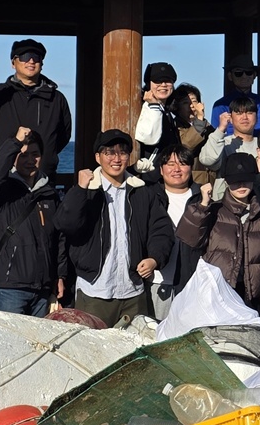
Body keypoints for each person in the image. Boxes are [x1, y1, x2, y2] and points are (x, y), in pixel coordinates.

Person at [50, 129, 173, 326]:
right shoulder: (87, 191)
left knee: (134, 351)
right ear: (98, 157)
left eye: (123, 152)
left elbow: (161, 229)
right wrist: (80, 190)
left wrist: (154, 258)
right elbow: (65, 226)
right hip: (94, 290)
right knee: (93, 352)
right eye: (109, 152)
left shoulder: (142, 191)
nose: (116, 158)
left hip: (133, 291)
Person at [178, 153, 260, 315]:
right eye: (235, 180)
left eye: (246, 178)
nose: (241, 185)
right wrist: (203, 205)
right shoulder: (213, 211)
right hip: (216, 297)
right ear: (226, 181)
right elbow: (189, 237)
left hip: (252, 299)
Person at [0, 125, 62, 317]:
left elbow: (58, 239)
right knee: (8, 345)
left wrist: (59, 275)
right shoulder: (3, 191)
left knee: (38, 345)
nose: (30, 160)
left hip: (42, 289)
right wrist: (15, 143)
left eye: (35, 154)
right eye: (23, 155)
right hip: (10, 288)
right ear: (14, 157)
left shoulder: (49, 194)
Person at [0, 38, 73, 168]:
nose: (31, 61)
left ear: (42, 63)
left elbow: (64, 135)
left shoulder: (56, 98)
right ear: (13, 63)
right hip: (5, 173)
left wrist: (47, 156)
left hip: (43, 176)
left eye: (36, 57)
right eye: (25, 57)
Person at [146, 143, 201, 319]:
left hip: (192, 283)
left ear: (191, 168)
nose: (177, 169)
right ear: (161, 170)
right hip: (157, 281)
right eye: (170, 164)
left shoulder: (203, 197)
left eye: (183, 163)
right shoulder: (148, 196)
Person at [132, 61, 181, 169]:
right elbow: (149, 138)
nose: (163, 85)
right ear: (148, 84)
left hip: (168, 174)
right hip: (150, 175)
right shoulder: (143, 108)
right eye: (157, 81)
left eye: (168, 81)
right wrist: (153, 106)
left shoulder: (168, 112)